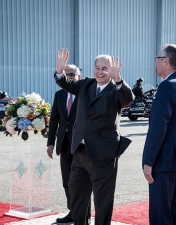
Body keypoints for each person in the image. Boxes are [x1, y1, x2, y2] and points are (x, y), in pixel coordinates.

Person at [54, 48, 134, 225]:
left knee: (102, 202)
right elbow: (66, 84)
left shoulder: (116, 89)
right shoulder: (86, 84)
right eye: (97, 67)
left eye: (104, 68)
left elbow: (128, 99)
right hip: (80, 153)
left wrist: (118, 79)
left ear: (111, 70)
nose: (100, 71)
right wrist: (59, 71)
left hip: (103, 155)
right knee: (77, 198)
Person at [142, 44, 176, 225]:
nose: (155, 62)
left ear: (166, 61)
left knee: (161, 214)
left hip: (163, 159)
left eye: (158, 58)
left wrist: (149, 161)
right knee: (173, 209)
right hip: (175, 158)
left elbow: (158, 128)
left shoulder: (168, 86)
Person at [47, 65, 91, 223]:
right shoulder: (59, 95)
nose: (69, 77)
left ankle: (84, 215)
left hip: (81, 145)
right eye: (66, 74)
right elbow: (54, 120)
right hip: (64, 144)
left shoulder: (85, 94)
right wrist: (50, 142)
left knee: (82, 182)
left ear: (79, 76)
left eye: (72, 74)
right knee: (67, 181)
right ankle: (73, 212)